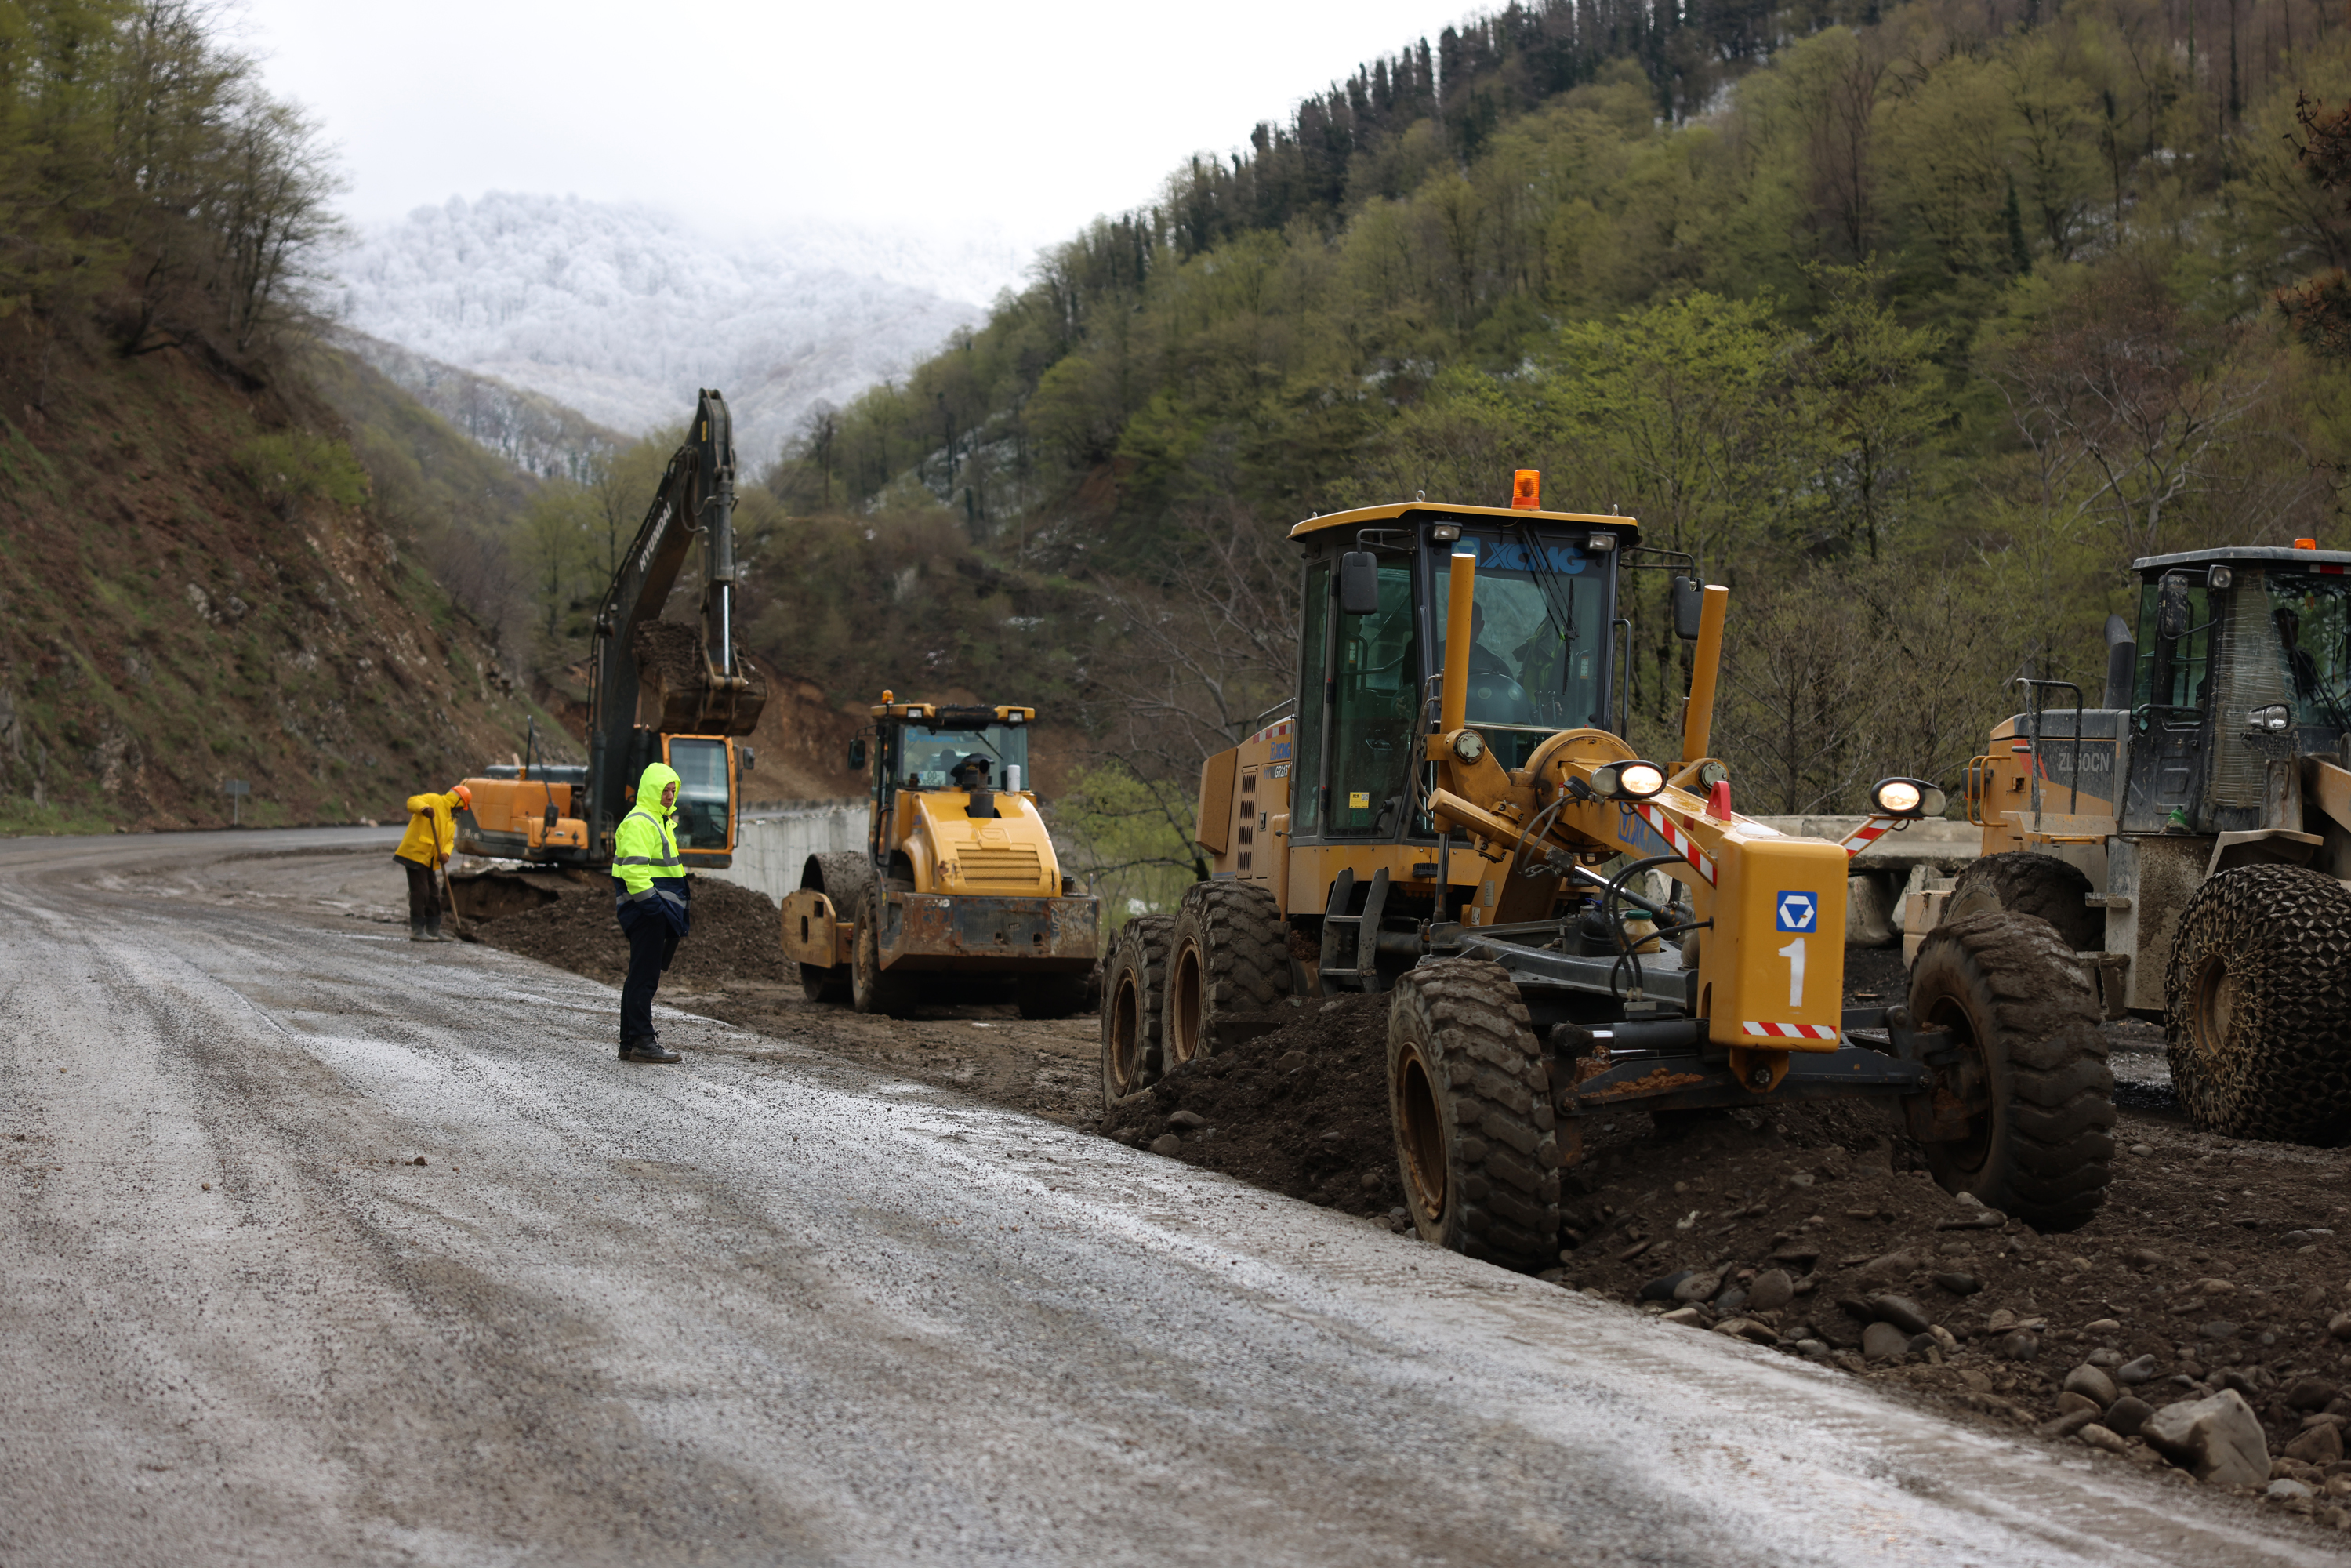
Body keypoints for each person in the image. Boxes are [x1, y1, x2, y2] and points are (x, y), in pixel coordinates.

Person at [613, 761, 690, 1064]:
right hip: (646, 911)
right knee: (644, 979)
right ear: (650, 790)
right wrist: (654, 909)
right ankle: (644, 1041)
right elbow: (634, 871)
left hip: (651, 911)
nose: (670, 795)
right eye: (664, 789)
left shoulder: (657, 821)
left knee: (638, 977)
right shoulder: (642, 822)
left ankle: (629, 1042)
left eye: (673, 790)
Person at [394, 783, 472, 942]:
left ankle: (434, 929)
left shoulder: (451, 819)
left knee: (434, 894)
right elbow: (412, 802)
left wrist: (446, 854)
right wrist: (424, 809)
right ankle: (417, 930)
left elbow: (450, 841)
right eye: (461, 807)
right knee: (421, 892)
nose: (459, 811)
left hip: (430, 859)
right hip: (415, 853)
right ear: (456, 801)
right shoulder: (433, 800)